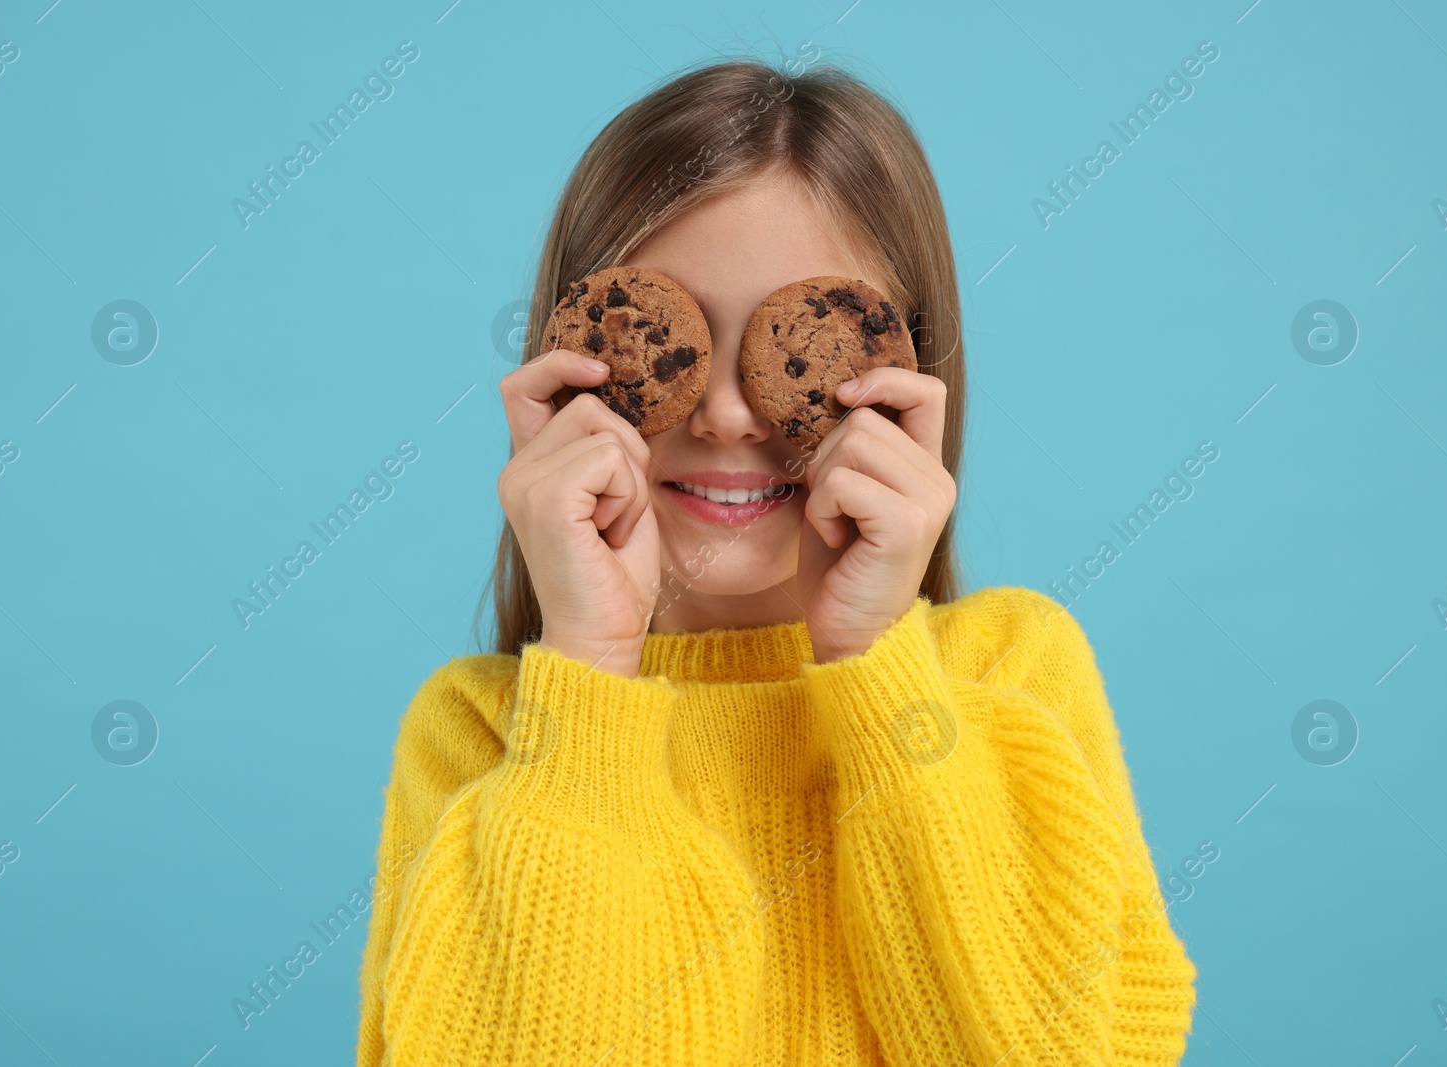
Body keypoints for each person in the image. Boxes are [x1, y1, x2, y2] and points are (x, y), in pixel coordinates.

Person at [356, 55, 1197, 1066]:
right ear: (569, 367)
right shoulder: (486, 735)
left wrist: (876, 659)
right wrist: (587, 672)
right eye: (664, 341)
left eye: (796, 344)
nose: (722, 410)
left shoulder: (1009, 673)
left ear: (903, 378)